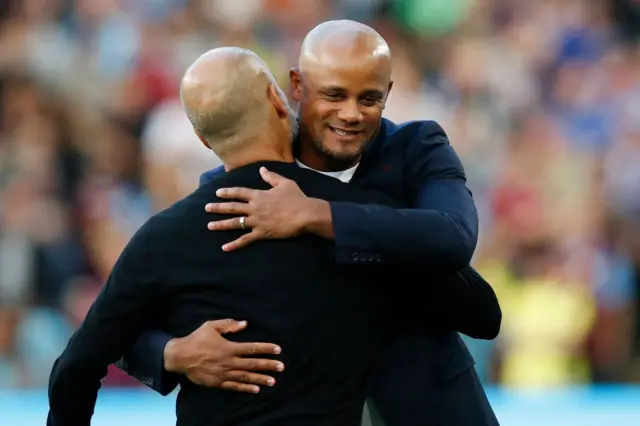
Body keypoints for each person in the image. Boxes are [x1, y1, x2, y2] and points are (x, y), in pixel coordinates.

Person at [120, 21, 501, 426]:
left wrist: (316, 215)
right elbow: (118, 325)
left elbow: (455, 237)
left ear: (388, 94)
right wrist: (174, 354)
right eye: (334, 94)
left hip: (426, 409)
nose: (351, 113)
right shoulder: (239, 189)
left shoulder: (415, 149)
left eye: (369, 98)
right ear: (297, 86)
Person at [48, 47, 418, 426]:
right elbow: (475, 309)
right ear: (277, 99)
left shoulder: (165, 237)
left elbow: (78, 365)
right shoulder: (358, 218)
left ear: (202, 138)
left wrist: (170, 354)